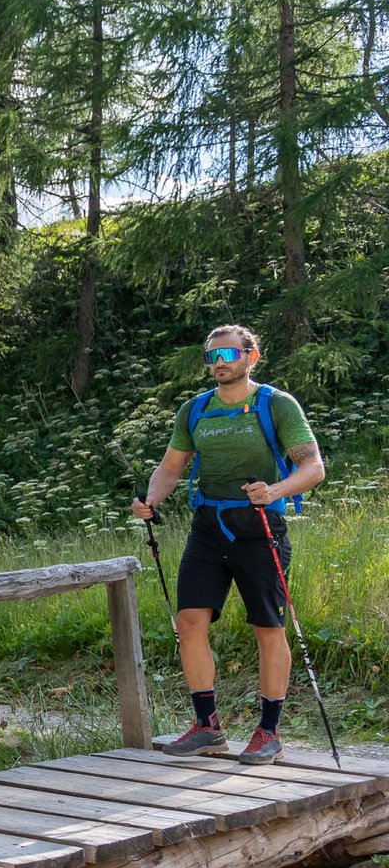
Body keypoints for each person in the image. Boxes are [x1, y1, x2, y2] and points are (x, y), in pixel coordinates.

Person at [133, 324, 325, 764]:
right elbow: (171, 466)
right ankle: (207, 727)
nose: (219, 363)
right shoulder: (195, 409)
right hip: (208, 526)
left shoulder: (276, 404)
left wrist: (276, 490)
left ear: (251, 356)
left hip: (260, 527)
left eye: (228, 355)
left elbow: (313, 467)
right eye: (211, 357)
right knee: (190, 620)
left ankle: (268, 732)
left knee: (268, 627)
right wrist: (151, 499)